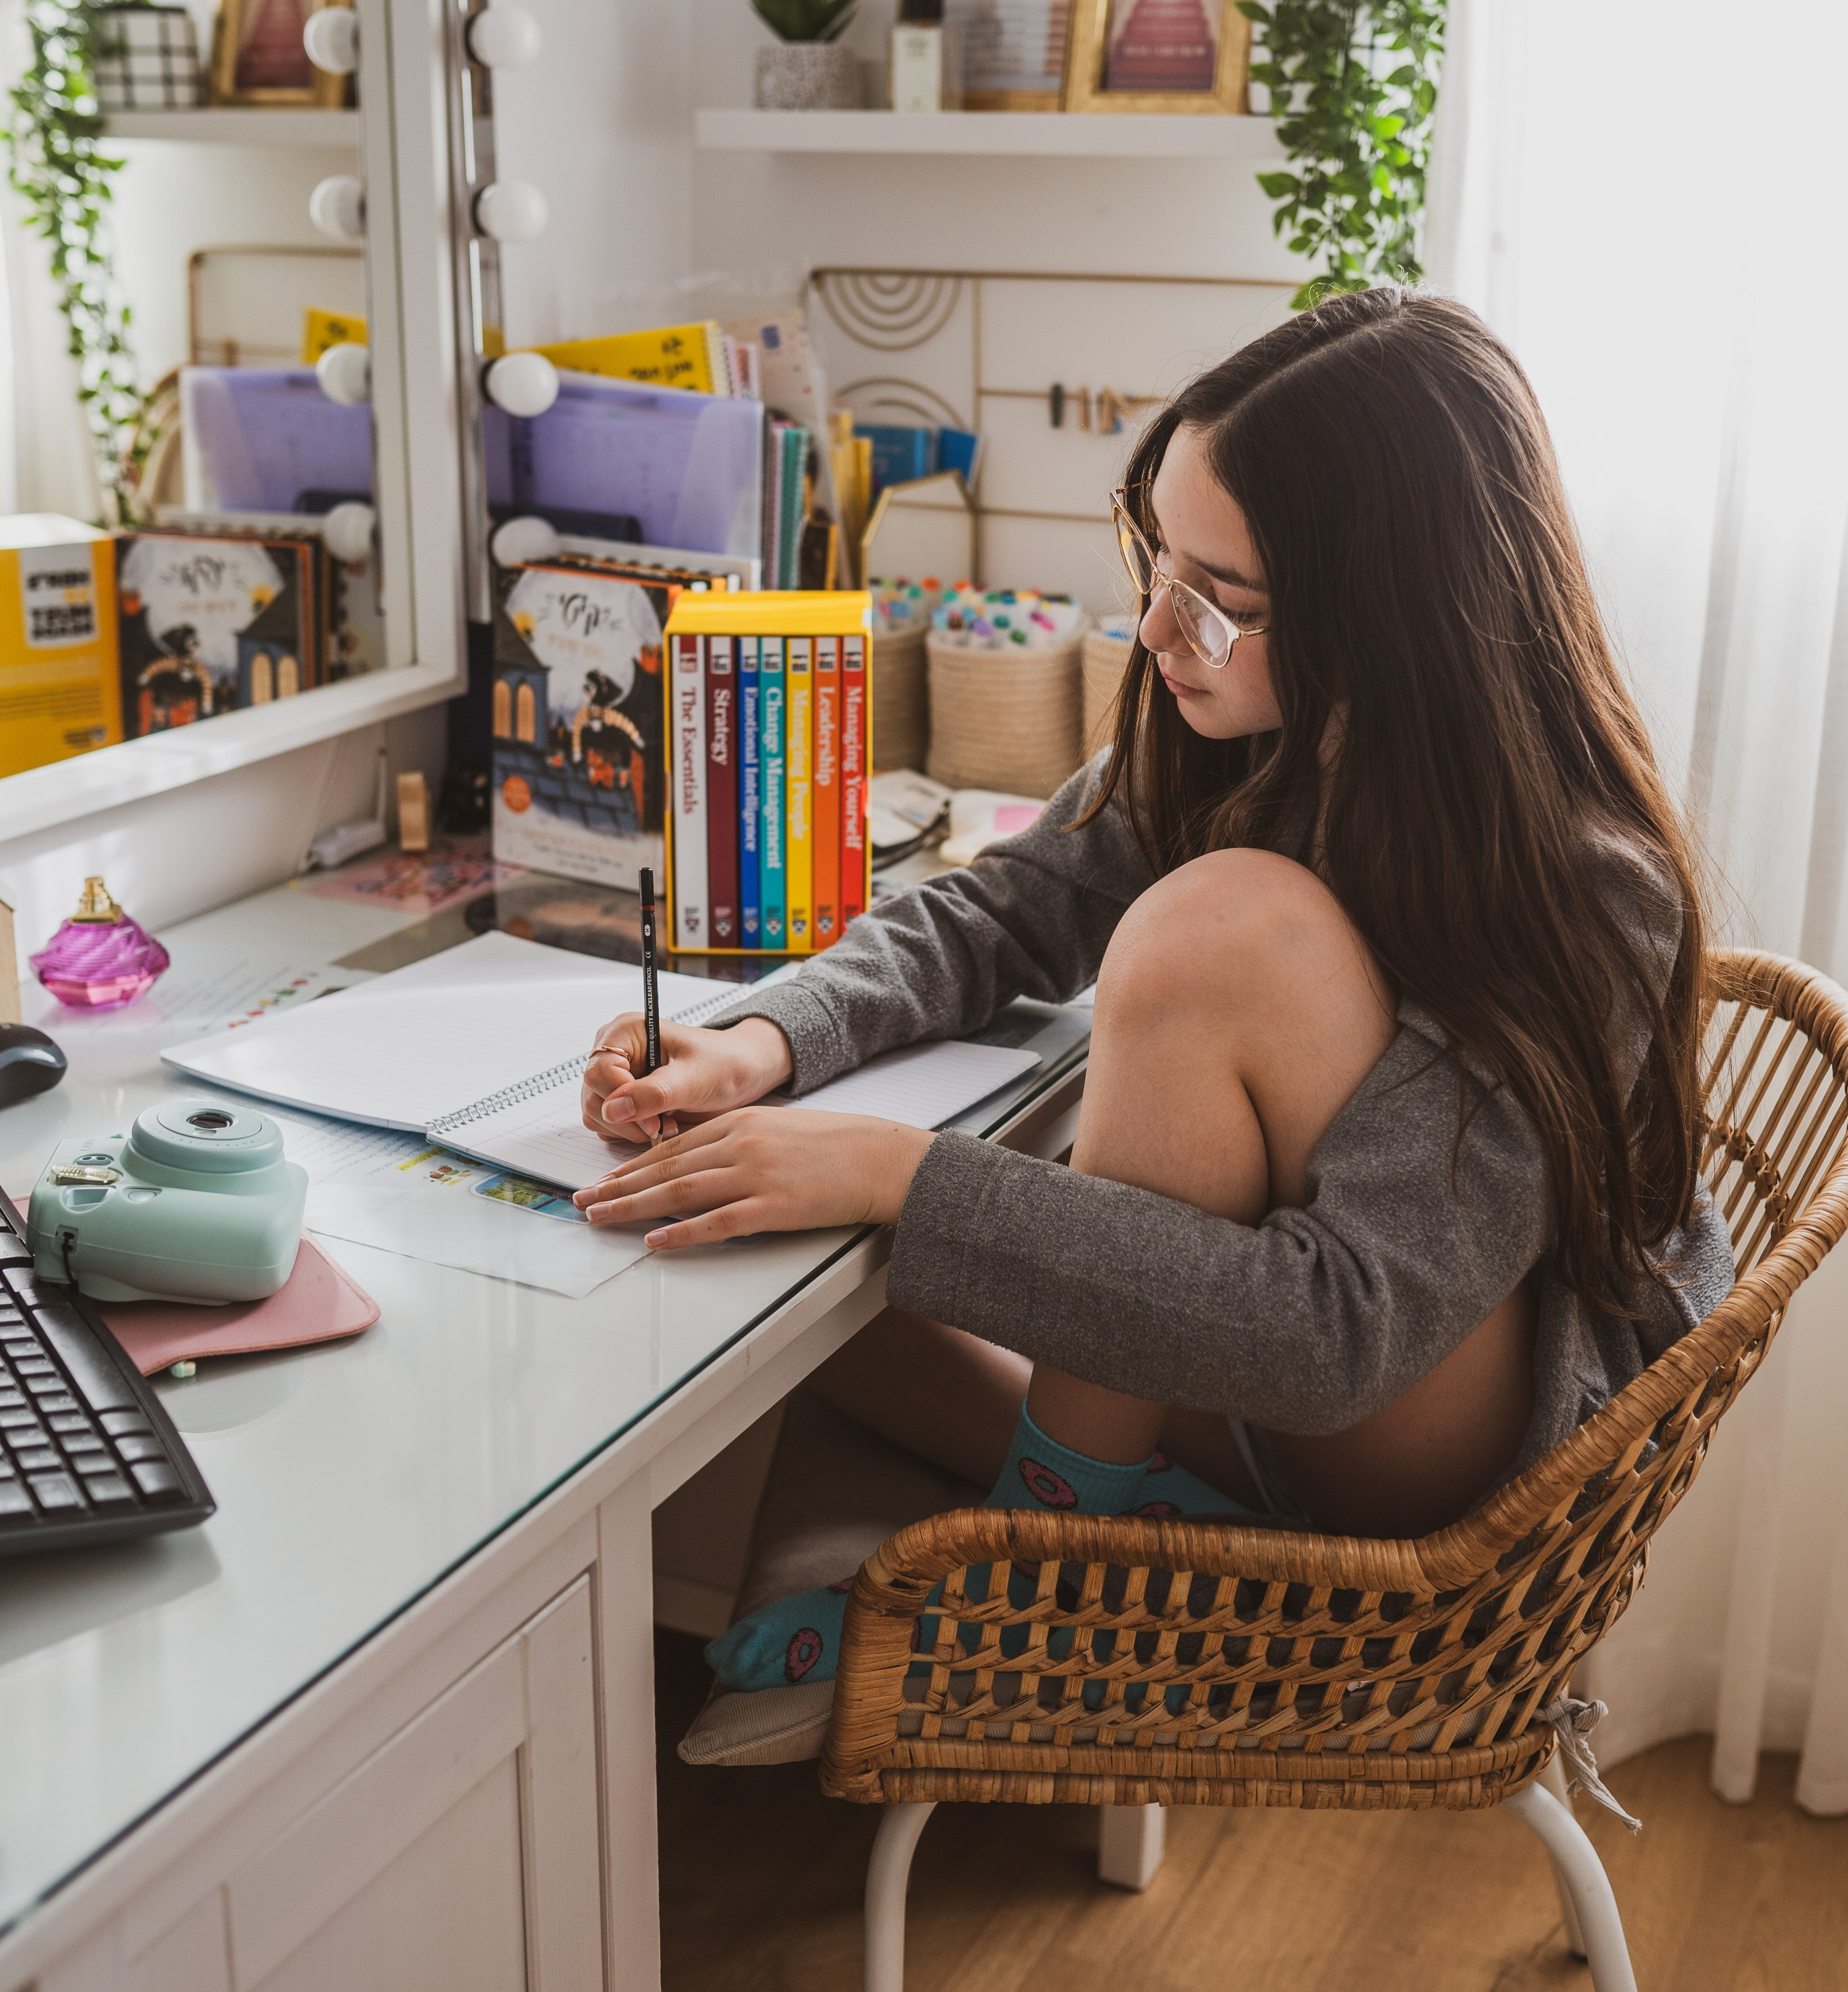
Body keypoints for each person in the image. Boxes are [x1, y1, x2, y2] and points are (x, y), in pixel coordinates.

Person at [572, 289, 1734, 1693]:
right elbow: (1008, 905)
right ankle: (1125, 1529)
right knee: (758, 1265)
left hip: (1424, 1438)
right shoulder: (1228, 738)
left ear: (1393, 616)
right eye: (1157, 565)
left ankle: (1036, 1577)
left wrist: (900, 1173)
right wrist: (762, 1040)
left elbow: (1336, 1335)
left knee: (1207, 930)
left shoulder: (1581, 883)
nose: (1156, 629)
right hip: (1246, 1388)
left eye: (1219, 601)